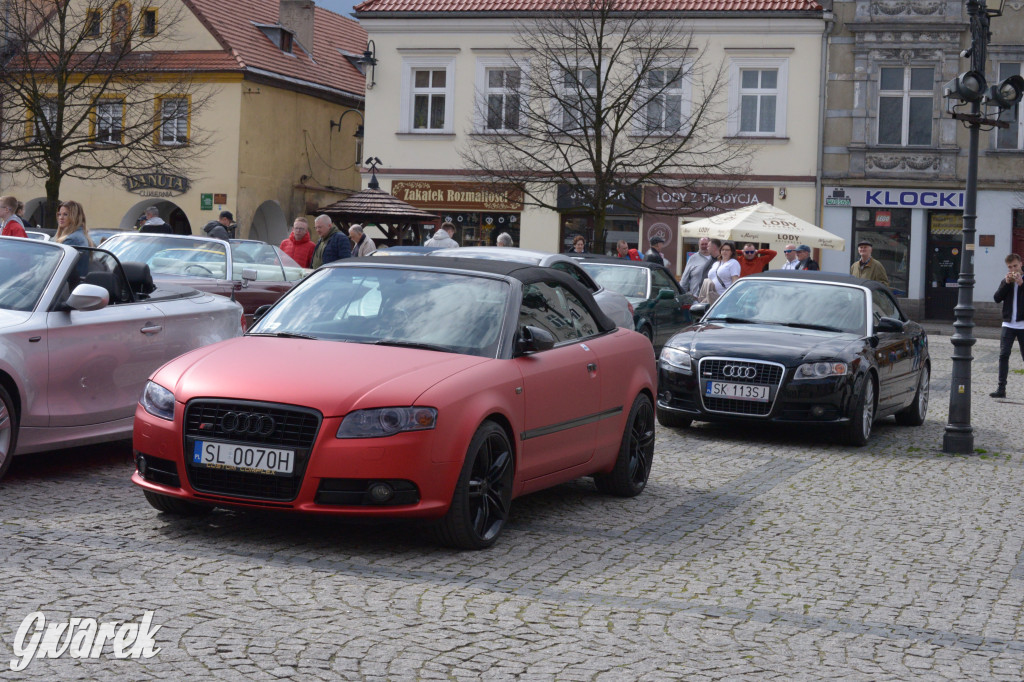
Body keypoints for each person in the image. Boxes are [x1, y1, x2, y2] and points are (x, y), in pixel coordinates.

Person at [991, 253, 1024, 399]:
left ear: (1021, 264)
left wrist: (1021, 284)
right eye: (1010, 267)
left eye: (1015, 266)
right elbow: (997, 298)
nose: (1013, 269)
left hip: (1023, 325)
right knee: (1003, 355)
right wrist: (1006, 283)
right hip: (1008, 324)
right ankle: (1001, 388)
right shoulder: (1007, 281)